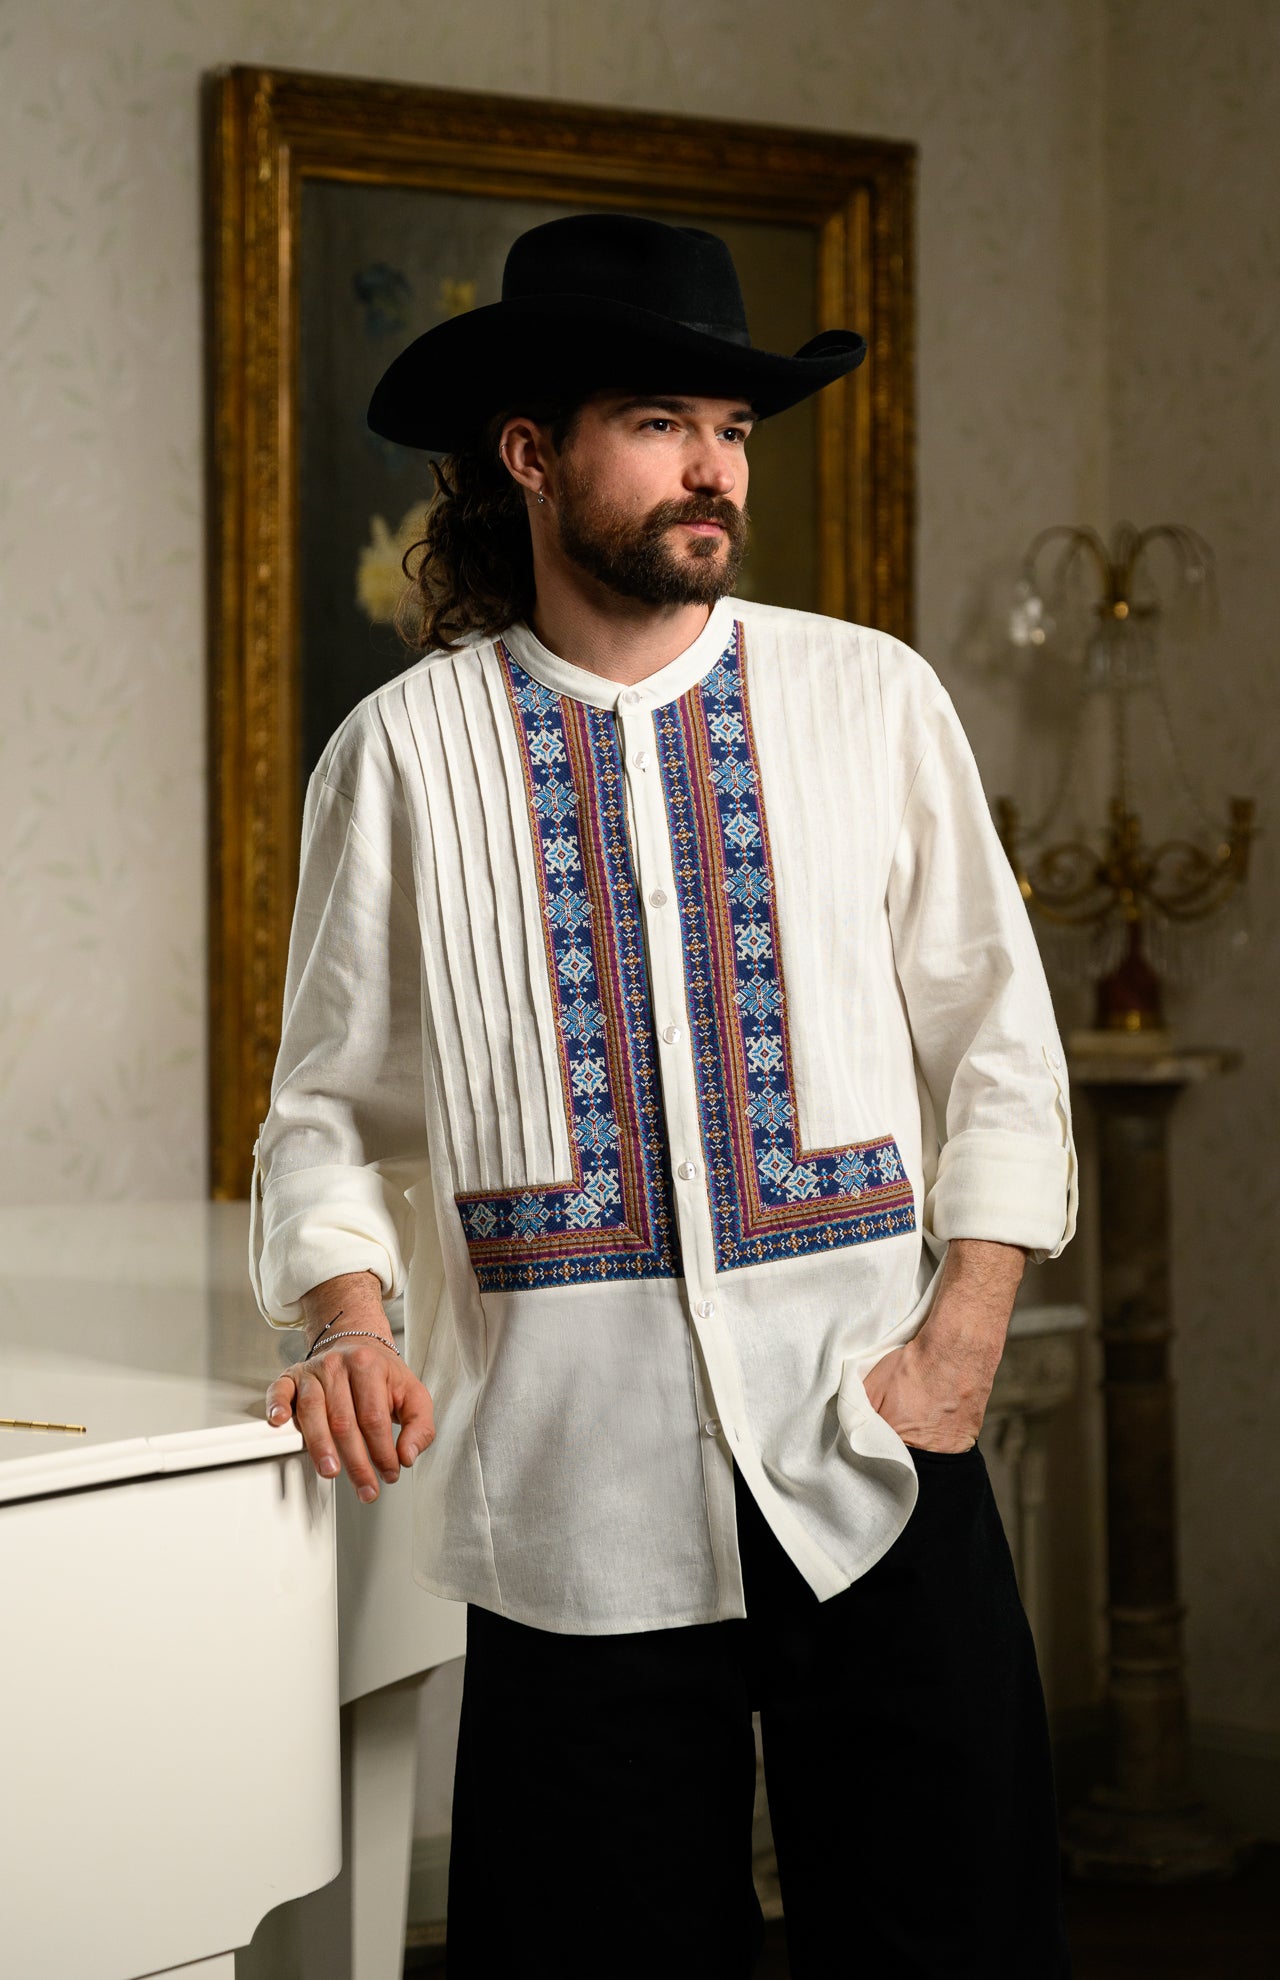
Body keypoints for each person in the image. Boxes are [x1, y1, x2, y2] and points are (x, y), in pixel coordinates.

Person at [251, 212, 1077, 1978]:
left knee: (959, 1942)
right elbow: (325, 1113)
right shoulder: (399, 757)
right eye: (660, 424)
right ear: (530, 454)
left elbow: (1001, 1041)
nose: (715, 470)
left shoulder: (872, 699)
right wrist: (349, 1321)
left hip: (875, 1449)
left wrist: (961, 1344)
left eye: (735, 430)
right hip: (571, 1496)